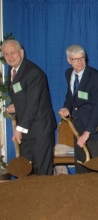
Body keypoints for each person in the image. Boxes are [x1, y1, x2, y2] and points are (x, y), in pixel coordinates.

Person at [3, 39, 56, 176]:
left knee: (42, 171)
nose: (10, 57)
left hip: (39, 128)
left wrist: (19, 129)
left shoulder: (33, 73)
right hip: (25, 127)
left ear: (21, 52)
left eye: (13, 53)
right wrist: (16, 106)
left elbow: (33, 105)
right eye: (6, 54)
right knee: (26, 169)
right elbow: (23, 95)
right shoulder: (13, 69)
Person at [59, 45, 98, 173]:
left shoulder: (96, 78)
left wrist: (87, 132)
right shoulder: (68, 74)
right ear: (68, 60)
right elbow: (71, 95)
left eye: (82, 58)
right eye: (75, 59)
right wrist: (67, 108)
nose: (80, 62)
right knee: (82, 165)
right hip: (78, 126)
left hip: (95, 129)